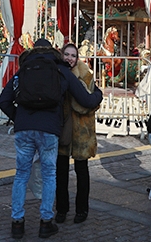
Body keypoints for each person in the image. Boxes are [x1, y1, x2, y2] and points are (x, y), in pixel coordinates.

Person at [0, 38, 103, 240]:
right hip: (49, 130)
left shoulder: (24, 69)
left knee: (21, 175)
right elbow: (86, 100)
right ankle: (46, 222)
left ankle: (17, 223)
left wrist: (19, 118)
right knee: (49, 175)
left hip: (24, 129)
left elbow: (3, 100)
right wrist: (97, 94)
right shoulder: (60, 69)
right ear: (53, 52)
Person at [55, 43, 99, 225]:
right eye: (67, 54)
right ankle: (61, 209)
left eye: (73, 55)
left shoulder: (85, 74)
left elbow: (88, 102)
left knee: (82, 171)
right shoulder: (57, 73)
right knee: (61, 171)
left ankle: (82, 209)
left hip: (82, 129)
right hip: (63, 128)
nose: (70, 58)